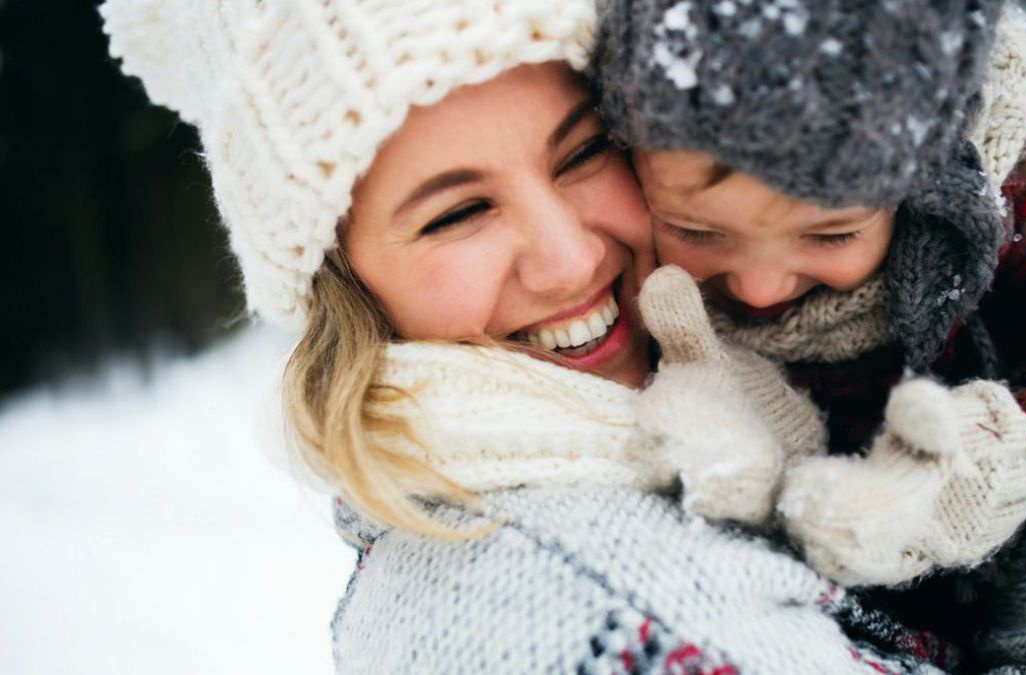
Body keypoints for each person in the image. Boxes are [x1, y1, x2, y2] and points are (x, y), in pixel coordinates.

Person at [98, 1, 952, 672]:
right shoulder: (570, 600)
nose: (569, 255)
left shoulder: (754, 366)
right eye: (459, 212)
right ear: (345, 288)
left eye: (583, 152)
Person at [592, 0, 1026, 668]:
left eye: (831, 233)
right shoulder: (607, 237)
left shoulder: (1004, 165)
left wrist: (1009, 463)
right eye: (698, 231)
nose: (759, 287)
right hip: (822, 571)